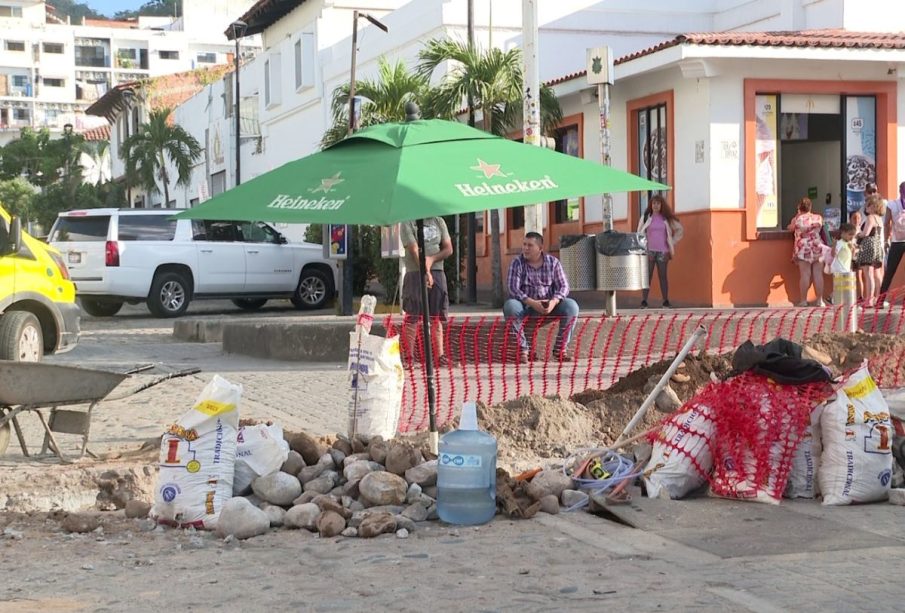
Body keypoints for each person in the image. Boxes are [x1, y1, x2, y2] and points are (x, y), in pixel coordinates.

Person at [503, 232, 580, 363]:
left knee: (571, 306)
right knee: (510, 306)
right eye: (524, 244)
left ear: (540, 248)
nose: (525, 248)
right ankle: (523, 350)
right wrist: (532, 303)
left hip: (549, 305)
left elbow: (564, 287)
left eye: (530, 245)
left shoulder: (553, 263)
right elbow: (513, 289)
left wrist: (554, 302)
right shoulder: (517, 263)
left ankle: (560, 349)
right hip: (526, 305)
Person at [400, 217, 453, 366]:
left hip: (437, 271)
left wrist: (432, 259)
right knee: (412, 315)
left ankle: (440, 356)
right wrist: (425, 270)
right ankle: (409, 357)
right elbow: (414, 249)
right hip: (415, 272)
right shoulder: (407, 222)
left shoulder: (439, 221)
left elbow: (448, 248)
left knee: (436, 315)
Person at [636, 194, 678, 308]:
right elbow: (639, 232)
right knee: (647, 276)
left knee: (663, 276)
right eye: (654, 203)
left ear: (661, 205)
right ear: (651, 204)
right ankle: (644, 301)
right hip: (649, 250)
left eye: (658, 203)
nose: (655, 205)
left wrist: (671, 244)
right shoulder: (646, 217)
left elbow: (678, 230)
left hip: (663, 251)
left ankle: (665, 301)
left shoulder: (665, 219)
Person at [787, 197, 825, 307]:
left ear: (799, 207)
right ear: (810, 207)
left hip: (803, 247)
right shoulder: (818, 218)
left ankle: (803, 300)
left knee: (805, 274)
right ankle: (820, 300)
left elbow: (790, 228)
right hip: (817, 245)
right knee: (818, 274)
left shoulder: (797, 219)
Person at [854, 195, 886, 307]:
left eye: (868, 204)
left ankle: (869, 300)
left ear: (873, 206)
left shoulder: (870, 217)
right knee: (877, 274)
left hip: (868, 246)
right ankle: (878, 298)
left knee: (868, 274)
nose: (866, 207)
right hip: (878, 246)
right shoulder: (879, 219)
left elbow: (865, 233)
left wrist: (858, 233)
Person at [880, 181, 905, 301]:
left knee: (890, 271)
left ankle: (880, 299)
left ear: (900, 191)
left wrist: (886, 240)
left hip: (897, 241)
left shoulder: (892, 204)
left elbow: (887, 224)